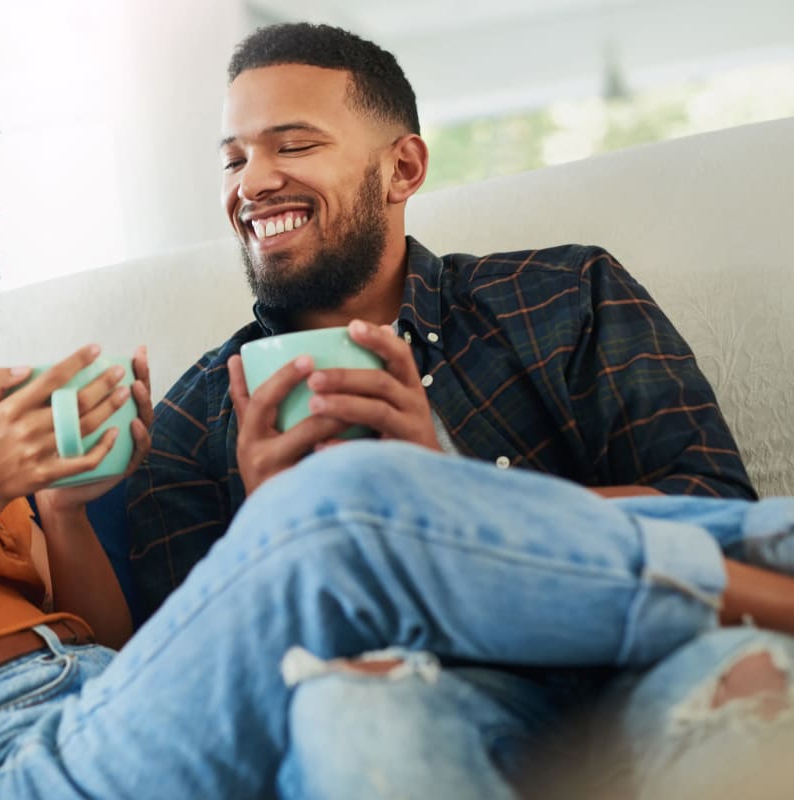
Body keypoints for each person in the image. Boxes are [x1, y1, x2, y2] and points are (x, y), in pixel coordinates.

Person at [0, 66, 794, 800]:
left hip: (102, 701)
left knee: (344, 608)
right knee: (325, 511)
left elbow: (114, 640)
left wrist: (67, 505)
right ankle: (771, 559)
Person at [127, 22, 794, 799]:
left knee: (755, 678)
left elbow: (715, 512)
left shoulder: (565, 295)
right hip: (413, 699)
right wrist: (287, 543)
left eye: (294, 146)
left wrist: (451, 496)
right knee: (352, 716)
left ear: (401, 168)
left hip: (639, 663)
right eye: (235, 159)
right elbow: (187, 691)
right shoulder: (193, 419)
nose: (253, 182)